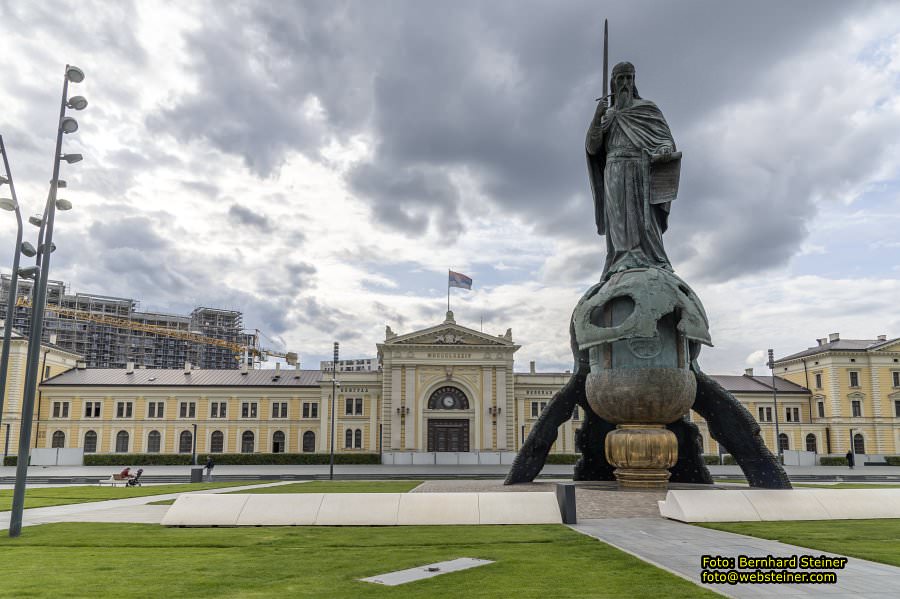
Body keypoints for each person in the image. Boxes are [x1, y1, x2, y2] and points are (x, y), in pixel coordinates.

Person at [586, 61, 678, 278]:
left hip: (640, 168)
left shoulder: (647, 108)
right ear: (613, 83)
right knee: (619, 217)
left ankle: (652, 258)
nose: (625, 83)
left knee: (644, 220)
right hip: (615, 169)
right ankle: (621, 260)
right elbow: (592, 147)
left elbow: (665, 140)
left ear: (634, 80)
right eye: (621, 78)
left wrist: (664, 148)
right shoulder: (606, 115)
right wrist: (596, 118)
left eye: (629, 78)